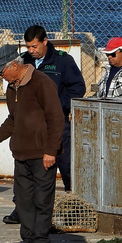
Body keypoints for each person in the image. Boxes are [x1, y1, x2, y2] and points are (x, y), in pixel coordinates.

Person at [0, 45, 63, 243]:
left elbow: (56, 119)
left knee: (42, 202)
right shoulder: (12, 88)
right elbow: (12, 121)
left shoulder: (42, 83)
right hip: (21, 154)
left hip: (42, 155)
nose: (0, 76)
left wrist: (50, 151)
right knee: (24, 202)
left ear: (14, 66)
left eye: (2, 72)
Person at [23, 25, 85, 195]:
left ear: (45, 41)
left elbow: (78, 88)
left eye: (34, 46)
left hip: (58, 123)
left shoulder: (63, 61)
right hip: (32, 125)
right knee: (28, 167)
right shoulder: (24, 61)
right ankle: (22, 209)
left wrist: (57, 107)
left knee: (66, 165)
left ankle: (73, 203)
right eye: (28, 47)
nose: (31, 50)